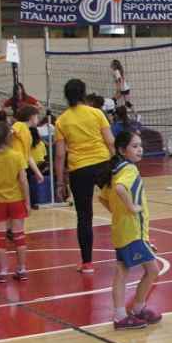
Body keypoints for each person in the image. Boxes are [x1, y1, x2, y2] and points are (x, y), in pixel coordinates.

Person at [94, 130, 161, 329]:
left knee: (121, 272)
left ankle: (121, 315)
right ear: (122, 150)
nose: (140, 149)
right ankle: (137, 308)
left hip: (121, 229)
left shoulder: (116, 170)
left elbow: (102, 198)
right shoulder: (129, 170)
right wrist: (131, 208)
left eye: (140, 145)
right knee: (153, 270)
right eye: (134, 146)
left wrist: (118, 212)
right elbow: (120, 189)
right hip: (133, 231)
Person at [54, 78, 114, 273]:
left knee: (84, 217)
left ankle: (87, 263)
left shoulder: (62, 120)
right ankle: (144, 239)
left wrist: (60, 183)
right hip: (102, 164)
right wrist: (120, 164)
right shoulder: (96, 113)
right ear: (84, 92)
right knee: (121, 205)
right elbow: (110, 141)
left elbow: (60, 155)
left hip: (79, 170)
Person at [0, 122, 30, 283]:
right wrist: (27, 202)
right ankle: (21, 269)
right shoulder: (17, 156)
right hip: (16, 200)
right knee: (19, 235)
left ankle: (2, 272)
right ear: (9, 137)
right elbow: (23, 181)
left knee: (0, 237)